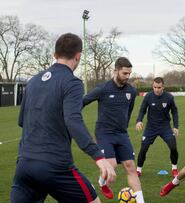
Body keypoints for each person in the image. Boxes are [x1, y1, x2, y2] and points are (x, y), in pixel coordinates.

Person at [10, 33, 116, 203]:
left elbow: (22, 121)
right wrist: (99, 157)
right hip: (55, 166)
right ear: (78, 56)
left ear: (55, 55)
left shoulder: (33, 81)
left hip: (24, 165)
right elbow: (73, 120)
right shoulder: (72, 83)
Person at [83, 57, 145, 203]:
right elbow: (82, 101)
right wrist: (70, 116)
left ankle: (141, 201)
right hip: (104, 133)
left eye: (129, 73)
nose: (127, 76)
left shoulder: (131, 91)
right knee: (111, 165)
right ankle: (102, 183)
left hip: (121, 133)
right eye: (124, 73)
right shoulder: (103, 89)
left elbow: (128, 112)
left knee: (130, 166)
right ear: (115, 71)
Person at [135, 77, 179, 177]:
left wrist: (176, 126)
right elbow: (142, 110)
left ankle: (174, 169)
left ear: (163, 87)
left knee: (173, 147)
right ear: (153, 86)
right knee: (143, 148)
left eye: (159, 87)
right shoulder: (148, 97)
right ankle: (138, 170)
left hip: (165, 127)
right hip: (151, 127)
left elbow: (174, 112)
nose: (156, 89)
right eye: (155, 87)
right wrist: (139, 121)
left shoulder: (169, 97)